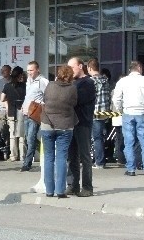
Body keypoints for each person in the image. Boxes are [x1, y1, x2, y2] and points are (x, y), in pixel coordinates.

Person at [112, 61, 144, 176]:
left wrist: (120, 109)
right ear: (139, 68)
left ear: (130, 69)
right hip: (142, 112)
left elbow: (116, 98)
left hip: (127, 112)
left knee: (129, 141)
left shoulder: (122, 81)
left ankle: (131, 169)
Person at [41, 66, 77, 198]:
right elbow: (74, 103)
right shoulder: (72, 88)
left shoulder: (50, 85)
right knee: (61, 157)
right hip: (65, 125)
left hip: (47, 124)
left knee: (48, 157)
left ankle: (49, 190)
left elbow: (45, 100)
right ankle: (60, 191)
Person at [66, 57, 96, 197]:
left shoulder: (88, 83)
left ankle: (87, 187)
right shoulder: (72, 82)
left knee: (84, 156)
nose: (70, 71)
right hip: (71, 123)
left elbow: (78, 100)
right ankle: (72, 185)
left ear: (80, 66)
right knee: (72, 156)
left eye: (72, 67)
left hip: (83, 123)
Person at [20, 61, 48, 172]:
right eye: (28, 70)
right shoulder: (29, 81)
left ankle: (27, 164)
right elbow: (28, 96)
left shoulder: (43, 81)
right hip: (26, 113)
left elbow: (48, 95)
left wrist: (41, 105)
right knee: (28, 139)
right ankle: (45, 153)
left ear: (38, 69)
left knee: (31, 138)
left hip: (34, 114)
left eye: (31, 70)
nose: (29, 73)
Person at [87, 58, 110, 169]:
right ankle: (101, 160)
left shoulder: (91, 81)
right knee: (100, 137)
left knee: (96, 138)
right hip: (104, 112)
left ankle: (99, 161)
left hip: (94, 112)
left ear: (90, 68)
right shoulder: (105, 80)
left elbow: (90, 97)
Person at [0, 66, 26, 162]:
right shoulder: (24, 86)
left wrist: (9, 99)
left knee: (12, 135)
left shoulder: (7, 86)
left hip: (11, 112)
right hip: (21, 111)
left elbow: (2, 99)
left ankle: (13, 156)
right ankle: (22, 156)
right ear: (20, 75)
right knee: (21, 135)